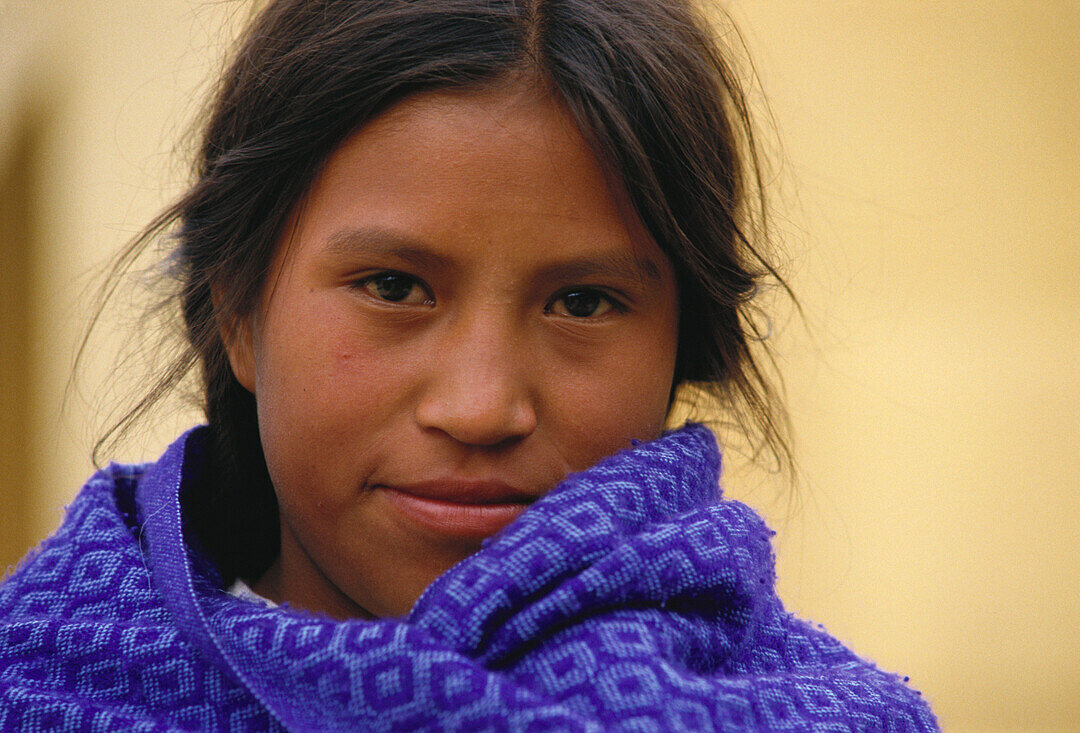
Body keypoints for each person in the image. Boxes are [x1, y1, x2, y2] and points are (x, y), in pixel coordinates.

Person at [0, 0, 938, 729]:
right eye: (395, 287)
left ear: (681, 346)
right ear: (238, 309)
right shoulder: (38, 685)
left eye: (582, 302)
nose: (482, 405)